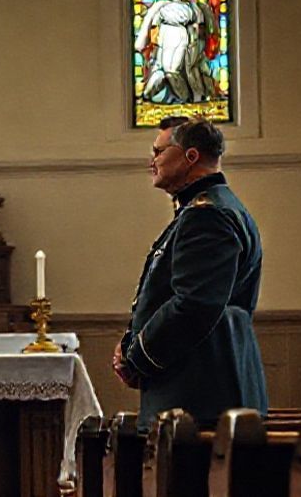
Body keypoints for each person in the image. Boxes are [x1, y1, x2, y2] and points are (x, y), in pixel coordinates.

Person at [113, 116, 267, 431]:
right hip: (206, 390)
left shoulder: (208, 216)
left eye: (158, 152)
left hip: (200, 397)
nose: (151, 162)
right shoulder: (209, 210)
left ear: (191, 156)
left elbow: (194, 305)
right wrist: (132, 341)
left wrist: (137, 357)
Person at [134, 0, 217, 104]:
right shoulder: (161, 6)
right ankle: (150, 95)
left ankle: (186, 99)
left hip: (183, 40)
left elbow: (201, 26)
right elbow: (151, 26)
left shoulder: (192, 6)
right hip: (166, 40)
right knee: (162, 71)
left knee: (173, 70)